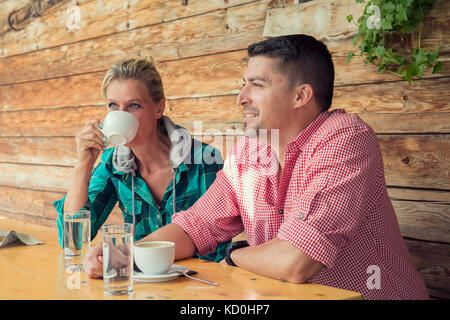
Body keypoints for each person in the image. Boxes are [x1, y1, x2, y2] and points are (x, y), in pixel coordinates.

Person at [139, 35, 430, 300]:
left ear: (300, 96)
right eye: (243, 84)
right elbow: (195, 227)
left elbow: (295, 261)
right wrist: (127, 254)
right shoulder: (247, 151)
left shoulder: (345, 138)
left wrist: (234, 254)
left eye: (257, 85)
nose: (242, 97)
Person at [54, 57, 228, 278]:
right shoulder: (113, 163)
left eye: (134, 105)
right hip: (137, 283)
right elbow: (72, 240)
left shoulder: (204, 159)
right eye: (113, 106)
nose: (122, 115)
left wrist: (122, 255)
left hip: (198, 283)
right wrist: (84, 164)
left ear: (159, 108)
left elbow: (216, 246)